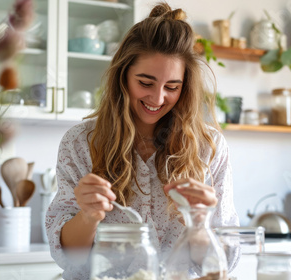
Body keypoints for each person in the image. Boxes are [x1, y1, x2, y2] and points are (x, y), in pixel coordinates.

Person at [46, 2, 239, 279]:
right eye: (145, 83)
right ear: (123, 76)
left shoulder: (209, 147)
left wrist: (200, 223)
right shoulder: (80, 143)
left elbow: (224, 265)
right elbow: (68, 258)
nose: (158, 99)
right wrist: (88, 216)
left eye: (172, 87)